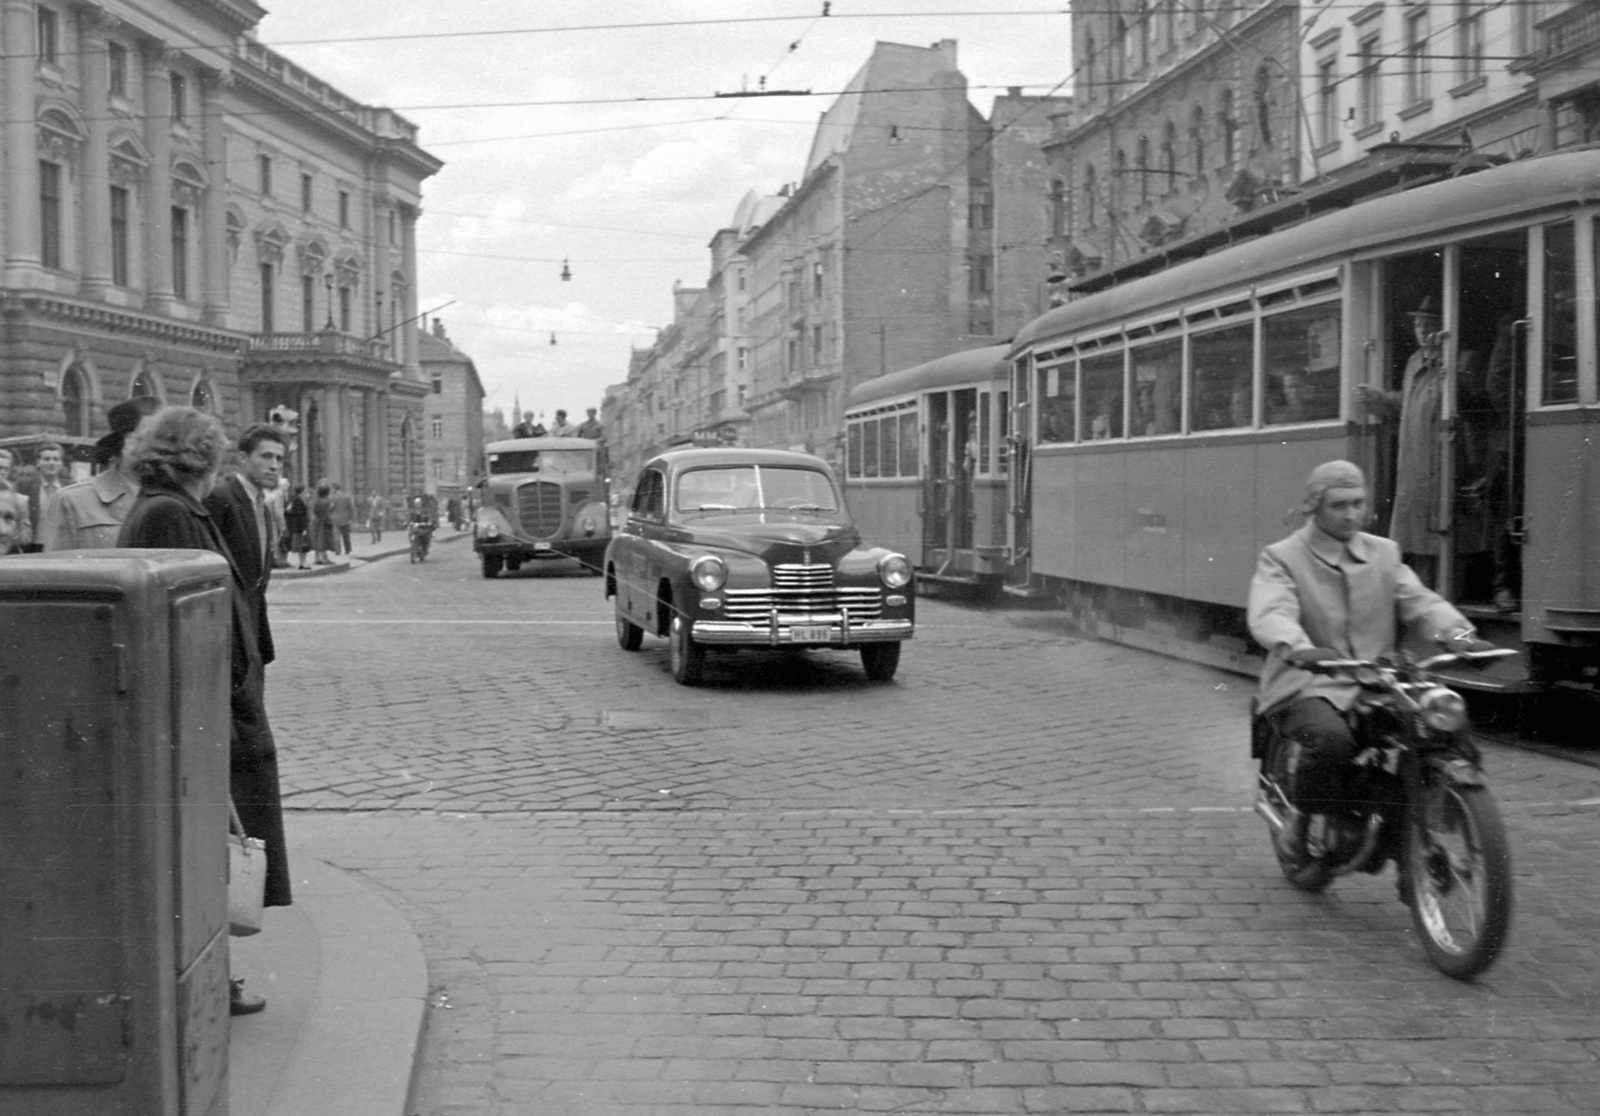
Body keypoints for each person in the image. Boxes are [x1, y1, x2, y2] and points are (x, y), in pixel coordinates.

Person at [115, 406, 291, 1016]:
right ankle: (211, 978)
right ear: (203, 456)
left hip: (219, 701)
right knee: (210, 846)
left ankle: (216, 974)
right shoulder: (171, 513)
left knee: (218, 842)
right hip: (208, 709)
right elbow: (191, 616)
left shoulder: (174, 507)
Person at [1247, 460, 1492, 852]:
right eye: (1339, 505)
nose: (1351, 514)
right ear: (1314, 507)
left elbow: (1421, 601)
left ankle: (1429, 821)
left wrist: (1461, 636)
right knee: (1330, 741)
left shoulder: (1384, 553)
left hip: (1379, 678)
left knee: (1447, 722)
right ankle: (1305, 818)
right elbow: (1272, 610)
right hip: (1310, 679)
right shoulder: (1282, 556)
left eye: (1358, 503)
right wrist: (1300, 648)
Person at [1356, 298, 1446, 586]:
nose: (1421, 330)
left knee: (1435, 535)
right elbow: (1409, 402)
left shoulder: (1456, 360)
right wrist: (1379, 398)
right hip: (1414, 461)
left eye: (1429, 324)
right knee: (1416, 535)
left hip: (1440, 461)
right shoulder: (1413, 363)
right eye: (1418, 324)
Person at [205, 424, 286, 669]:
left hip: (251, 625)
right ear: (243, 458)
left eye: (279, 458)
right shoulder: (221, 498)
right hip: (226, 626)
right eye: (266, 456)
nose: (274, 465)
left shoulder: (262, 503)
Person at [42, 396, 162, 551]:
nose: (160, 449)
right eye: (149, 438)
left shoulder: (181, 499)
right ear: (124, 442)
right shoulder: (72, 501)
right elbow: (55, 571)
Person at [16, 442, 68, 552]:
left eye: (56, 459)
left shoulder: (69, 487)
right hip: (33, 545)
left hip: (60, 546)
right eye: (47, 459)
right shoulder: (25, 485)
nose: (51, 463)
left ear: (62, 463)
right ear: (38, 463)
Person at [283, 483, 311, 569]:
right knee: (303, 545)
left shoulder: (294, 499)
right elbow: (300, 515)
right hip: (300, 526)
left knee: (301, 545)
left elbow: (288, 511)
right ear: (302, 491)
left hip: (296, 525)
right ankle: (303, 563)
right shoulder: (298, 501)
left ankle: (302, 563)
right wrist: (304, 527)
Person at [310, 482, 335, 565]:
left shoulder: (316, 501)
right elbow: (326, 513)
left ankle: (317, 558)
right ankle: (324, 558)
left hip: (316, 522)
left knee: (317, 540)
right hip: (324, 523)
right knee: (323, 541)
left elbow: (315, 511)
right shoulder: (326, 502)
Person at [328, 483, 355, 555]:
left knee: (336, 535)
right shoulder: (347, 497)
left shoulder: (332, 498)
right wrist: (351, 518)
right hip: (345, 518)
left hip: (334, 519)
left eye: (332, 489)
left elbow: (330, 508)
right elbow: (351, 508)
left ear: (334, 489)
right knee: (346, 535)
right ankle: (348, 549)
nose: (331, 490)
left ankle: (338, 550)